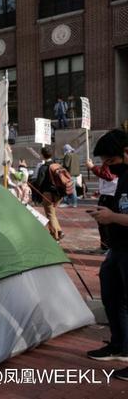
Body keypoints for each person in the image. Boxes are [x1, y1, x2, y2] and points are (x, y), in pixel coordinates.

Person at [87, 129, 128, 381]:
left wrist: (112, 217)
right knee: (112, 294)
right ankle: (120, 345)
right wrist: (107, 211)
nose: (107, 167)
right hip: (119, 248)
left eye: (110, 161)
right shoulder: (124, 177)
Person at [33, 146, 64, 241]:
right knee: (52, 213)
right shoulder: (57, 165)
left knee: (50, 214)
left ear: (42, 155)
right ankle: (59, 231)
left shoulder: (44, 167)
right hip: (59, 193)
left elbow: (39, 182)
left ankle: (55, 235)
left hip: (48, 193)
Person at [86, 159, 118, 251]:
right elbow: (110, 179)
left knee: (104, 222)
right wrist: (100, 191)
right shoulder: (112, 162)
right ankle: (106, 246)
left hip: (110, 197)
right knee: (105, 223)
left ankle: (106, 247)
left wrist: (92, 167)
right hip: (109, 194)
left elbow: (109, 176)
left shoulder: (112, 161)